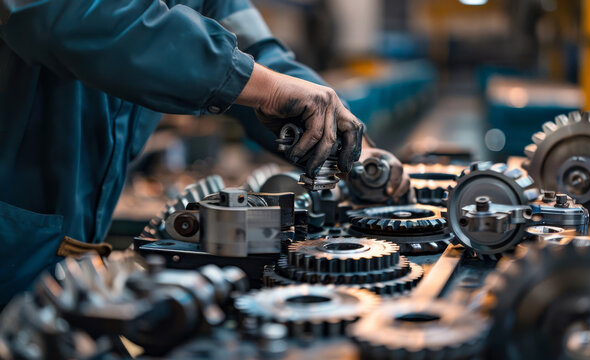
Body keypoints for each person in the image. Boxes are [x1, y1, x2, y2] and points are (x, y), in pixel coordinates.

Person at [0, 0, 409, 304]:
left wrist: (357, 151)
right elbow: (68, 15)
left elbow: (258, 53)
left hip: (62, 256)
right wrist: (263, 87)